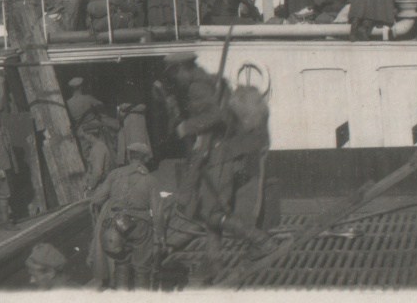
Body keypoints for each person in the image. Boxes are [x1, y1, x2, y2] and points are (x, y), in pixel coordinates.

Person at [163, 52, 275, 282]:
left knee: (211, 214)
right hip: (220, 154)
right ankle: (213, 262)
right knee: (209, 212)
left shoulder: (197, 87)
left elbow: (218, 116)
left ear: (183, 69)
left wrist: (187, 126)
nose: (175, 79)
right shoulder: (205, 81)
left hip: (219, 155)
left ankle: (260, 241)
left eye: (175, 74)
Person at [88, 142, 164, 290]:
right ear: (145, 159)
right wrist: (159, 237)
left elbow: (96, 199)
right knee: (142, 270)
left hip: (115, 227)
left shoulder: (115, 175)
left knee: (121, 266)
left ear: (129, 156)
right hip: (140, 227)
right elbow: (158, 213)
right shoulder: (151, 180)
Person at [82, 120, 116, 195]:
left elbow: (97, 172)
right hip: (100, 185)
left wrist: (90, 187)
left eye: (85, 134)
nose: (84, 137)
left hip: (101, 186)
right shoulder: (96, 147)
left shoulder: (98, 148)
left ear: (90, 135)